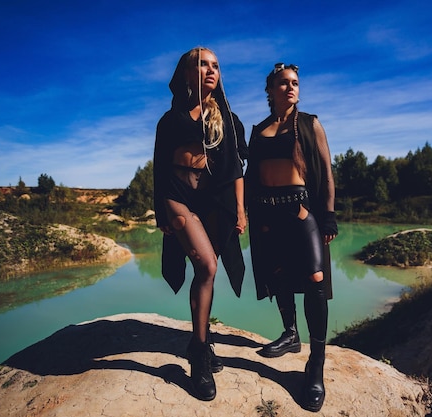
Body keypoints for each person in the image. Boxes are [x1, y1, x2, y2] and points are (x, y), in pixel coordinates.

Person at [153, 47, 248, 401]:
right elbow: (160, 167)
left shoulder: (227, 118)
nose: (210, 70)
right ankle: (198, 354)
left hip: (213, 202)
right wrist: (160, 211)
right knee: (206, 266)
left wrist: (241, 209)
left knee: (208, 271)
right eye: (202, 64)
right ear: (186, 71)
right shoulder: (170, 118)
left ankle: (200, 343)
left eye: (216, 65)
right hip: (179, 197)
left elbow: (237, 167)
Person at [245, 63, 338, 412]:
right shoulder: (258, 130)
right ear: (269, 90)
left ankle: (315, 363)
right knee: (279, 275)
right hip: (267, 214)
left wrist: (327, 216)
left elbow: (327, 175)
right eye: (283, 84)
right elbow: (251, 175)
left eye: (295, 83)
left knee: (315, 278)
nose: (290, 88)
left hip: (301, 212)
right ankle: (290, 334)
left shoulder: (310, 124)